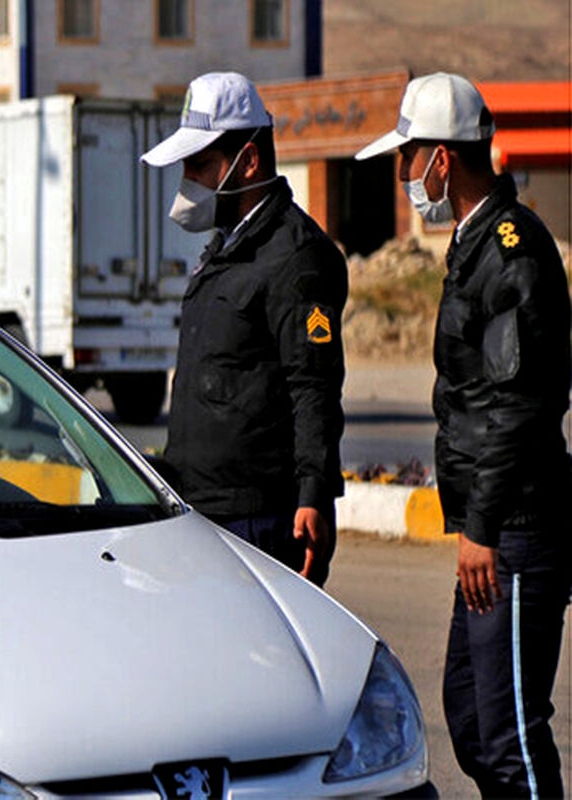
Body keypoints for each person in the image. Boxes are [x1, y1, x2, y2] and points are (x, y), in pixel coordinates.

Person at [356, 72, 571, 799]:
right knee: (473, 724)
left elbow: (518, 405)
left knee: (509, 734)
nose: (403, 174)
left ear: (441, 160)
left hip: (514, 528)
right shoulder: (473, 243)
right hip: (491, 527)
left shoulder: (510, 250)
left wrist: (480, 527)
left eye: (407, 156)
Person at [140, 71, 346, 585]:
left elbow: (314, 388)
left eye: (199, 163)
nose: (188, 178)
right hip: (202, 514)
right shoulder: (226, 248)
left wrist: (314, 496)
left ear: (248, 161)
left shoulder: (296, 258)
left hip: (260, 523)